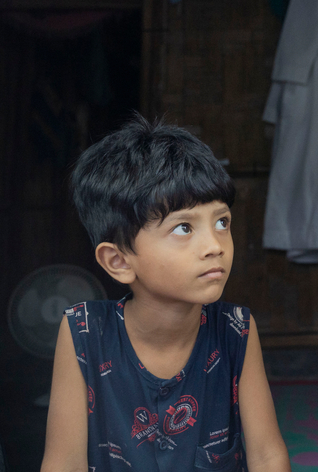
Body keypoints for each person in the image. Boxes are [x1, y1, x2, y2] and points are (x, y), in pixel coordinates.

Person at [41, 116, 291, 472]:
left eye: (222, 222)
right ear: (119, 261)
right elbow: (63, 463)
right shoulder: (84, 333)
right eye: (184, 228)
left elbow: (267, 456)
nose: (214, 246)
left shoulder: (235, 331)